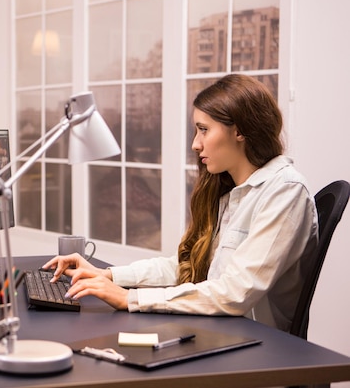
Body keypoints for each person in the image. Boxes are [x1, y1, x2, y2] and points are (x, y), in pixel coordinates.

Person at [42, 74, 318, 333]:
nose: (196, 144)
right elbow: (188, 266)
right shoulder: (233, 192)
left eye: (204, 130)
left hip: (259, 351)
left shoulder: (284, 191)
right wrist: (109, 275)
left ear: (240, 131)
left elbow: (235, 293)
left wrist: (131, 299)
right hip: (223, 332)